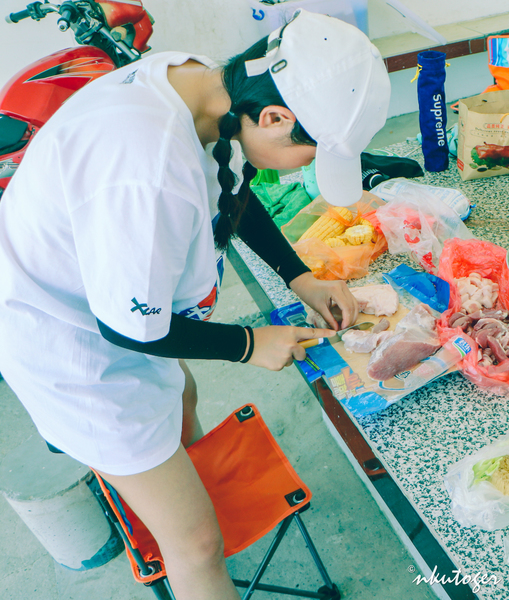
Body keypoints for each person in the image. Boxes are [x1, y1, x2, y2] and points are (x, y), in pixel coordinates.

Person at [0, 11, 390, 600]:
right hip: (75, 351)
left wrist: (299, 277)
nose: (307, 168)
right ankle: (194, 547)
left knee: (181, 397)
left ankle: (189, 492)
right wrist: (249, 344)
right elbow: (127, 327)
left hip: (117, 310)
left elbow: (231, 183)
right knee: (195, 548)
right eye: (310, 154)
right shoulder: (146, 167)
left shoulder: (201, 87)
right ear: (276, 117)